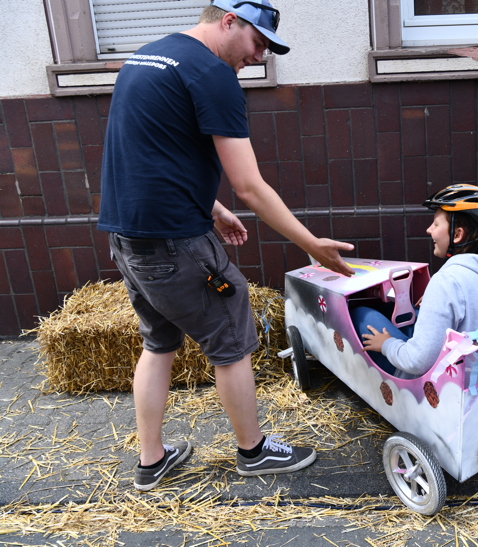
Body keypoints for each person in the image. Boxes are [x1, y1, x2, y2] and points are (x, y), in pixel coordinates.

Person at [98, 0, 356, 491]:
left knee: (158, 342)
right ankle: (253, 453)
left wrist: (212, 208)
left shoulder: (147, 57)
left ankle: (151, 461)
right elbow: (251, 186)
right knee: (232, 340)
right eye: (257, 43)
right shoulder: (213, 75)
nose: (259, 56)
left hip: (128, 238)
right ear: (228, 21)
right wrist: (311, 245)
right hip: (175, 244)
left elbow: (154, 151)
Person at [354, 184, 478, 379]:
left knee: (361, 313)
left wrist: (386, 345)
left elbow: (417, 362)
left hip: (444, 384)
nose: (429, 230)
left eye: (435, 224)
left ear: (458, 234)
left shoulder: (448, 281)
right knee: (412, 314)